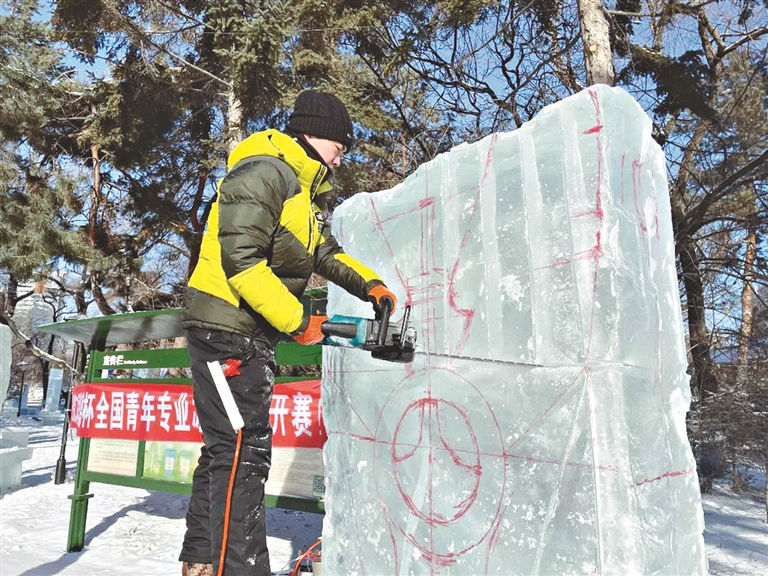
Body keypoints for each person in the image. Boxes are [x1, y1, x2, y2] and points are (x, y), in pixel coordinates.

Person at [178, 90, 397, 576]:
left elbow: (323, 253)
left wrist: (372, 286)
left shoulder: (300, 192)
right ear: (315, 134)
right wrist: (298, 322)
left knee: (227, 450)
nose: (341, 158)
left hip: (244, 333)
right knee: (242, 452)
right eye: (339, 147)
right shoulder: (265, 171)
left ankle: (200, 560)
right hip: (224, 330)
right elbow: (242, 262)